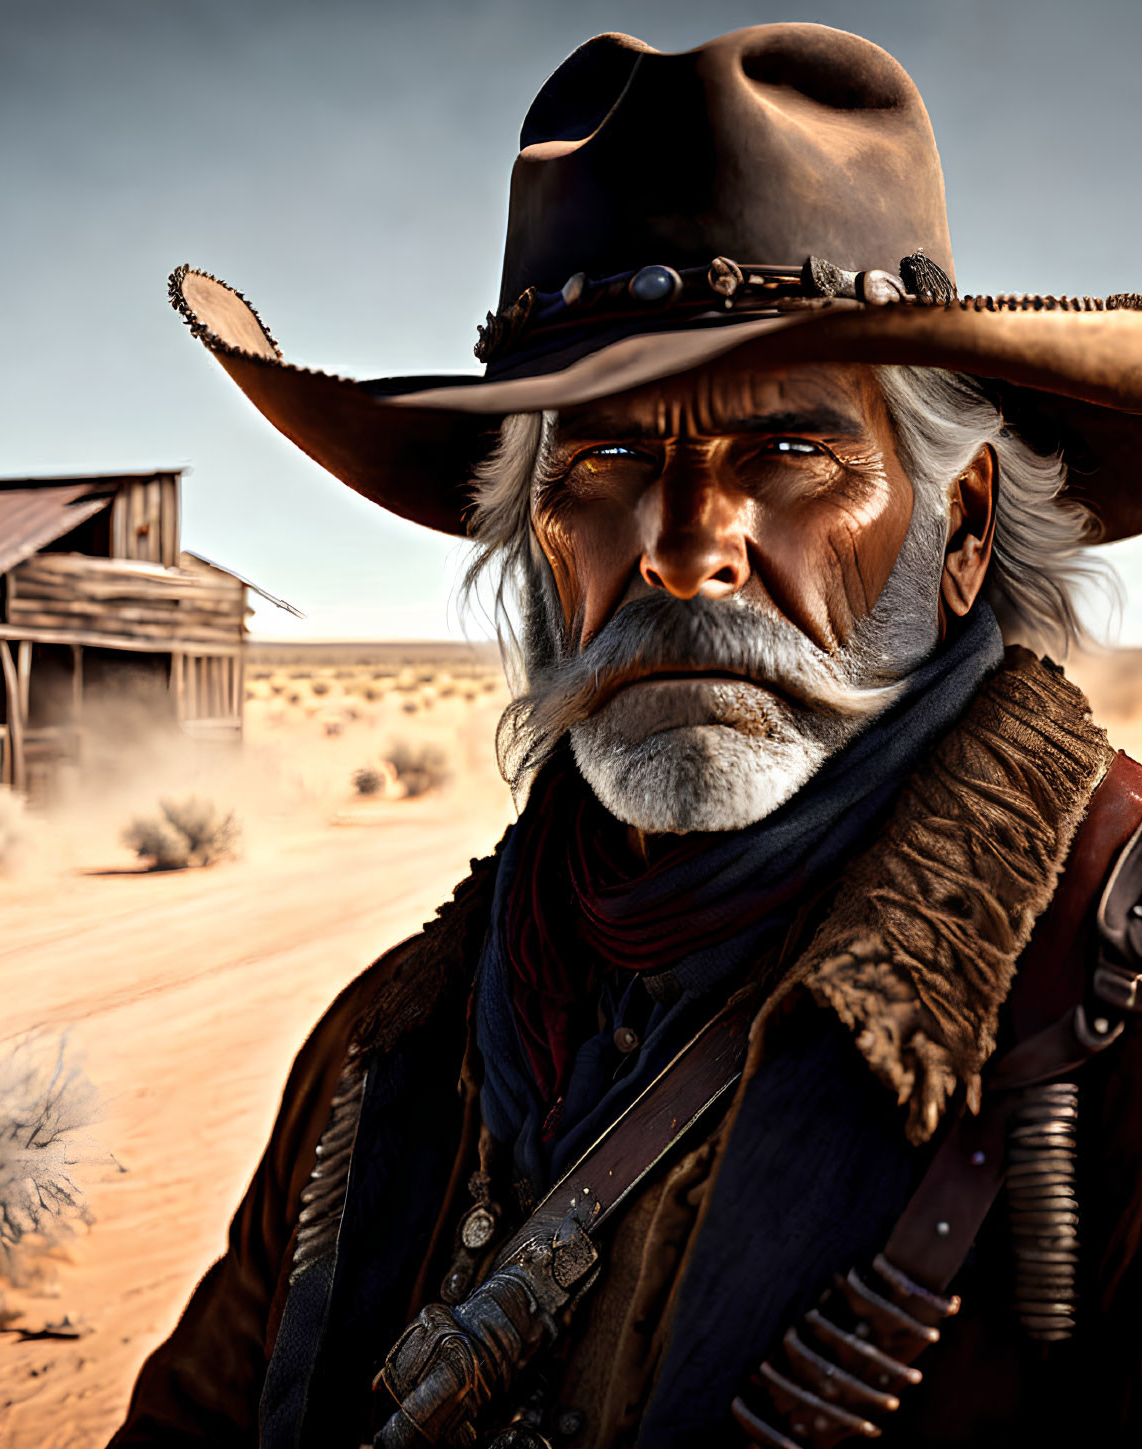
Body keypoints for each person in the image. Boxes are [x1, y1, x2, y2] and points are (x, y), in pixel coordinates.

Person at [109, 23, 1142, 1448]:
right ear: (535, 542)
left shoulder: (1106, 1022)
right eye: (600, 460)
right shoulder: (395, 1045)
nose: (679, 549)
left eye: (786, 454)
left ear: (958, 530)